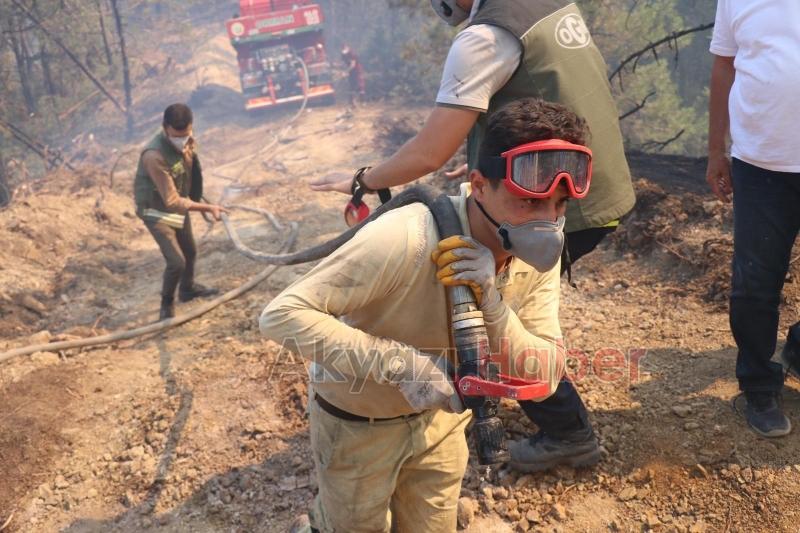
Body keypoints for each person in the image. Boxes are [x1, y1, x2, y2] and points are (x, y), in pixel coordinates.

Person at [310, 0, 635, 472]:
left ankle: (567, 432)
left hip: (548, 200)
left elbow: (428, 152)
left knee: (491, 306)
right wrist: (498, 168)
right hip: (593, 182)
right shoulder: (545, 4)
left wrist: (366, 180)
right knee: (501, 303)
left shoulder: (485, 36)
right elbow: (550, 95)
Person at [262, 98, 594, 533]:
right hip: (359, 425)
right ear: (478, 185)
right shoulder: (407, 238)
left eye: (559, 206)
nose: (547, 223)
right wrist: (401, 367)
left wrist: (491, 304)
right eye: (528, 203)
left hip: (441, 426)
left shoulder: (533, 261)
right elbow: (283, 315)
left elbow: (544, 374)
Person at [706, 0, 800, 438]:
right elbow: (724, 67)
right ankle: (759, 385)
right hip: (760, 165)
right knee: (756, 284)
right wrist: (715, 151)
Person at [133, 103, 227, 320]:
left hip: (177, 206)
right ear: (165, 128)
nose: (182, 139)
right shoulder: (153, 156)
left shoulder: (188, 139)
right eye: (177, 136)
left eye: (186, 134)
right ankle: (166, 305)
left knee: (190, 251)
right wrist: (208, 207)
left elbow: (189, 170)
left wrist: (196, 194)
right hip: (156, 211)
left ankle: (187, 289)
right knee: (176, 262)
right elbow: (172, 201)